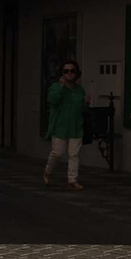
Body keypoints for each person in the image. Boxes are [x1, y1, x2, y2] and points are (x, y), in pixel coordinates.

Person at [43, 59, 88, 191]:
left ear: (76, 73)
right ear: (62, 73)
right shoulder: (56, 87)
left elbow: (82, 109)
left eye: (72, 71)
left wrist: (86, 103)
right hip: (60, 126)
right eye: (66, 71)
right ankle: (48, 171)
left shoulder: (80, 90)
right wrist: (62, 87)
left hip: (75, 126)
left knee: (74, 154)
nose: (69, 74)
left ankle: (72, 179)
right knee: (57, 153)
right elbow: (53, 101)